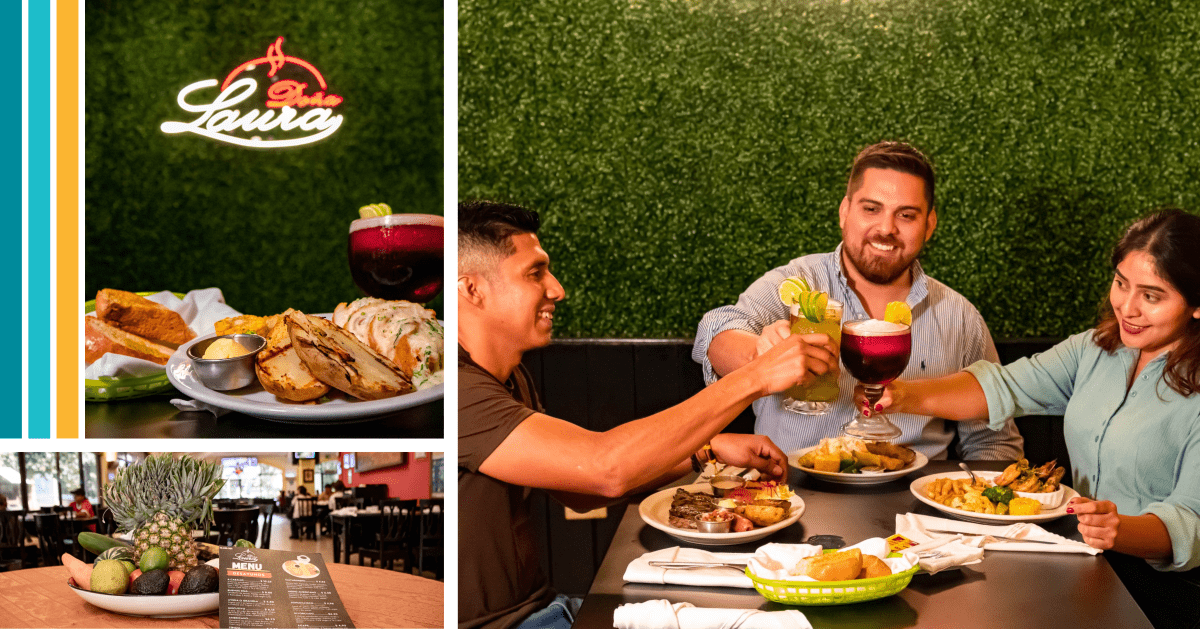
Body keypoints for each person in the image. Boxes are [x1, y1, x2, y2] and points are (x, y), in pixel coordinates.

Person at [459, 200, 839, 629]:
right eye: (535, 273)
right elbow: (606, 468)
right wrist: (755, 375)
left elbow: (582, 492)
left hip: (548, 609)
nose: (557, 289)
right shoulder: (458, 392)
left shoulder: (507, 377)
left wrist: (705, 452)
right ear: (472, 289)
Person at [864, 209, 1200, 628]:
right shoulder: (1095, 350)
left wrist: (1120, 529)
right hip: (1087, 564)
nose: (1126, 307)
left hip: (1170, 597)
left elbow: (1192, 523)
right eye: (1120, 283)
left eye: (1151, 296)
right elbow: (1001, 387)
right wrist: (901, 395)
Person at [694, 140, 1024, 460]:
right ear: (844, 211)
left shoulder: (959, 316)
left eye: (906, 215)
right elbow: (716, 330)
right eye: (871, 209)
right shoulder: (800, 284)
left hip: (913, 503)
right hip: (795, 494)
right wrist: (758, 355)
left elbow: (993, 438)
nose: (886, 228)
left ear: (929, 225)